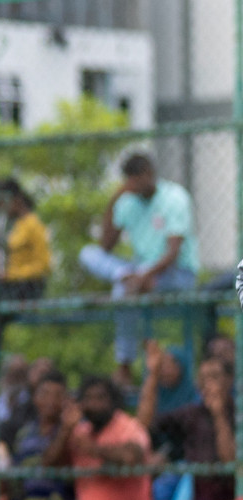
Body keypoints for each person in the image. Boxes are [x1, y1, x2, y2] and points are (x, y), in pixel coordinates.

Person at [80, 153, 200, 377]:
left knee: (122, 292)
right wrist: (115, 198)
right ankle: (124, 275)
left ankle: (124, 365)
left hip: (174, 274)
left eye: (138, 178)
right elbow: (105, 246)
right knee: (87, 254)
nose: (134, 185)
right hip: (137, 273)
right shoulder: (127, 201)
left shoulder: (174, 197)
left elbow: (173, 252)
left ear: (149, 174)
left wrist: (145, 275)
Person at [47, 376, 152, 500]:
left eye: (100, 398)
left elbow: (130, 456)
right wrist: (64, 431)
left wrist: (93, 449)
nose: (94, 404)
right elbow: (49, 465)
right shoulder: (79, 431)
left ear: (112, 400)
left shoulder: (129, 426)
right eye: (88, 398)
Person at [144, 357, 236, 500]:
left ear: (229, 380)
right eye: (203, 379)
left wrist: (219, 416)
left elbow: (230, 461)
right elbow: (146, 424)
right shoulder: (190, 414)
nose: (208, 384)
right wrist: (154, 375)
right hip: (198, 499)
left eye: (214, 377)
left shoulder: (238, 414)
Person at [9, 369, 76, 500]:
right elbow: (16, 474)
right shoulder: (24, 434)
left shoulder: (73, 432)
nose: (51, 400)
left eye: (58, 395)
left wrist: (65, 430)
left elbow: (50, 463)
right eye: (45, 394)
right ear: (35, 397)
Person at [0, 178, 51, 303]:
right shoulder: (15, 225)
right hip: (11, 284)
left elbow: (44, 266)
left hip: (28, 287)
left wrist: (11, 274)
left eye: (2, 203)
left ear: (16, 200)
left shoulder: (33, 224)